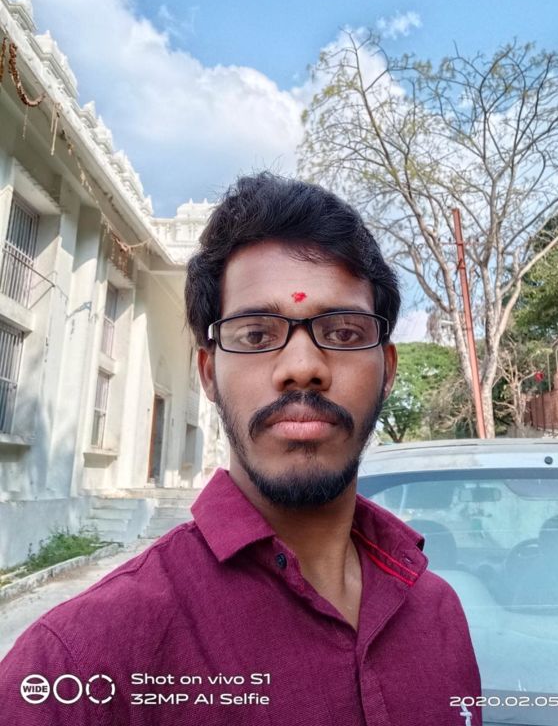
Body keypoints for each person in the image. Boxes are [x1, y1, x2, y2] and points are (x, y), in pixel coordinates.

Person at [0, 173, 482, 725]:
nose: (302, 367)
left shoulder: (438, 614)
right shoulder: (77, 668)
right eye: (256, 334)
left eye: (344, 333)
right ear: (208, 373)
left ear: (387, 370)